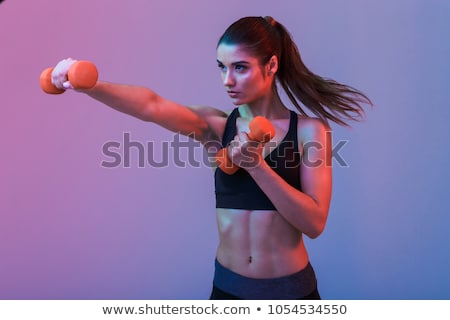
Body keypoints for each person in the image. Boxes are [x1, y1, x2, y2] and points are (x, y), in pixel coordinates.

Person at [50, 16, 372, 299]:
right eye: (222, 67)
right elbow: (152, 106)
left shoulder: (308, 131)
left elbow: (314, 223)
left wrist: (257, 167)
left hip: (290, 294)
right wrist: (88, 85)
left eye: (240, 67)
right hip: (227, 290)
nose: (227, 80)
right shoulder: (217, 127)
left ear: (271, 66)